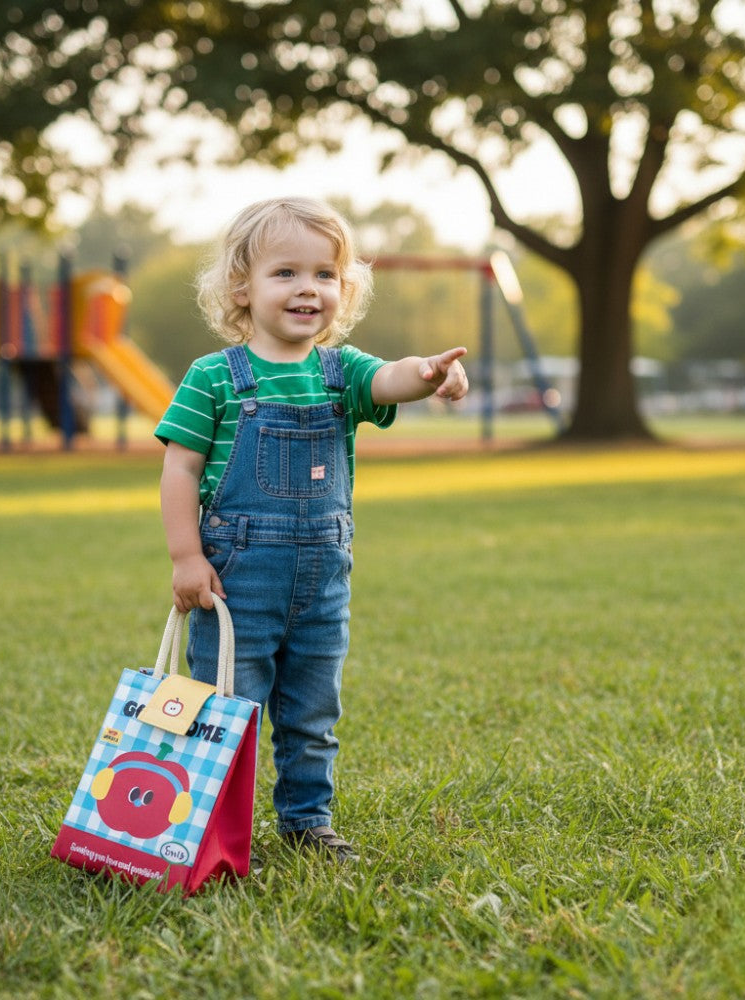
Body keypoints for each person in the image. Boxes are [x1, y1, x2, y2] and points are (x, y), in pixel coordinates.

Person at [155, 197, 468, 862]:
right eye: (286, 273)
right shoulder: (214, 377)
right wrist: (186, 555)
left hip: (323, 584)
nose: (308, 289)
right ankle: (202, 824)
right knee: (223, 708)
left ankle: (306, 823)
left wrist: (430, 373)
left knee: (312, 715)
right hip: (235, 585)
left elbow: (392, 379)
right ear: (242, 288)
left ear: (344, 287)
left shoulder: (342, 370)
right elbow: (179, 469)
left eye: (325, 274)